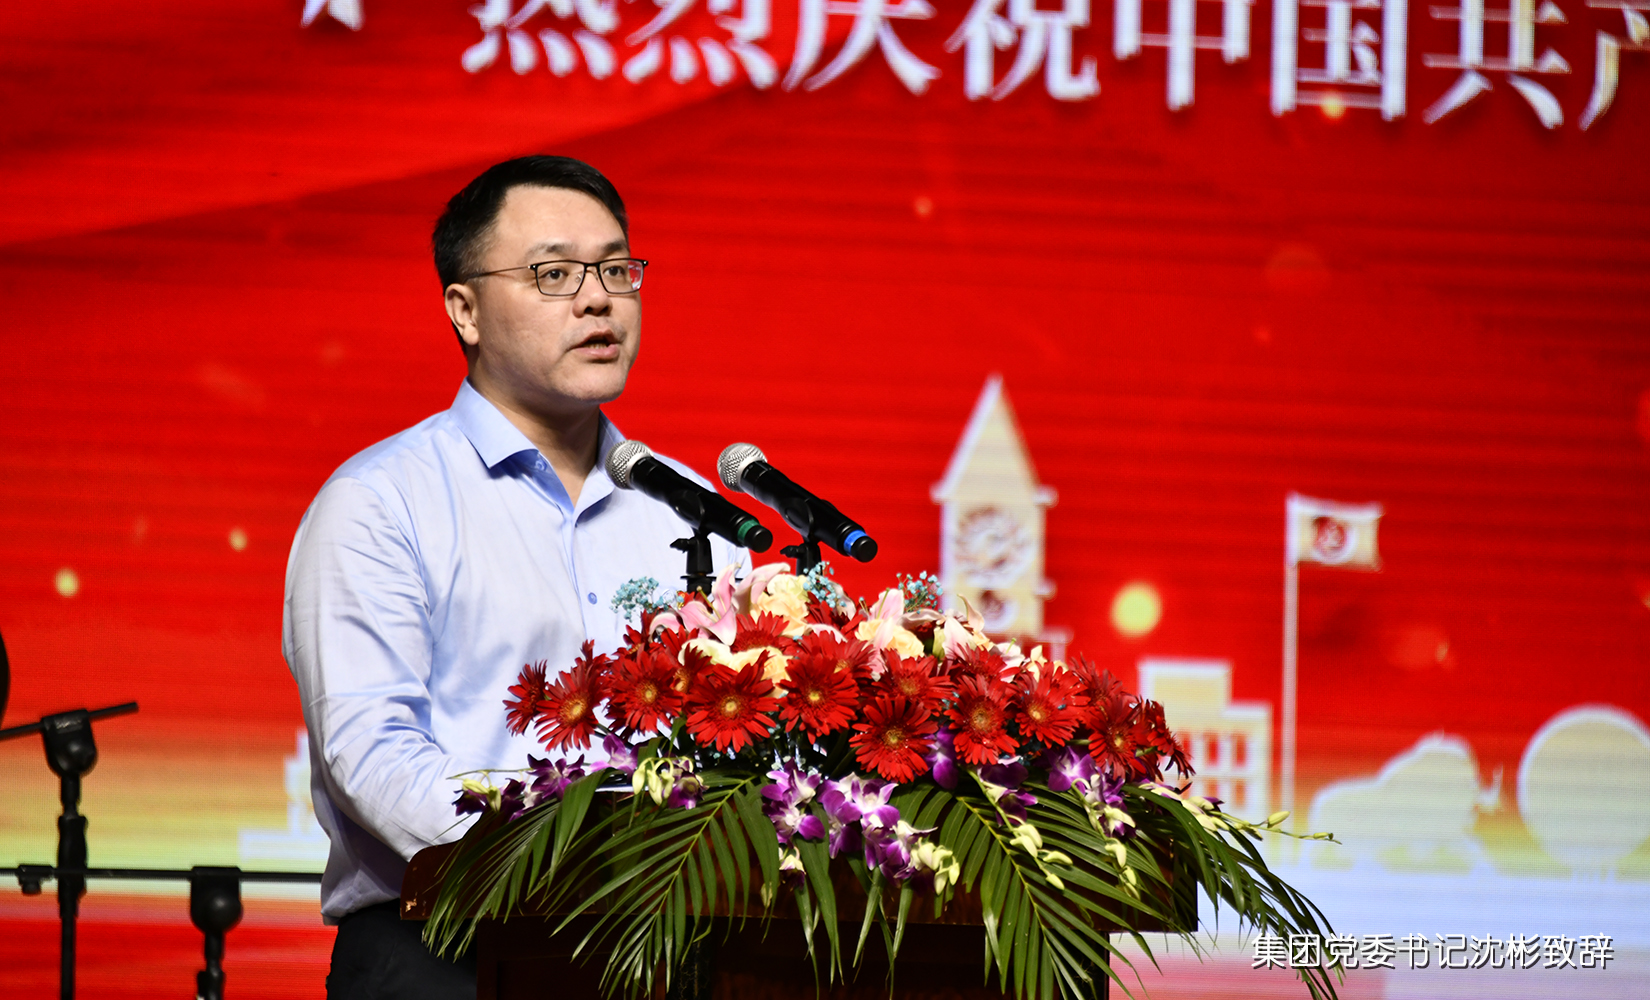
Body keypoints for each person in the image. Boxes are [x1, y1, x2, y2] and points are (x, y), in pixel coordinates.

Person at [283, 156, 741, 1000]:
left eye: (616, 269)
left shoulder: (690, 512)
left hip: (663, 951)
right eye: (554, 274)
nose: (598, 300)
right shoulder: (382, 502)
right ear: (465, 309)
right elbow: (372, 756)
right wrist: (575, 859)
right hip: (446, 948)